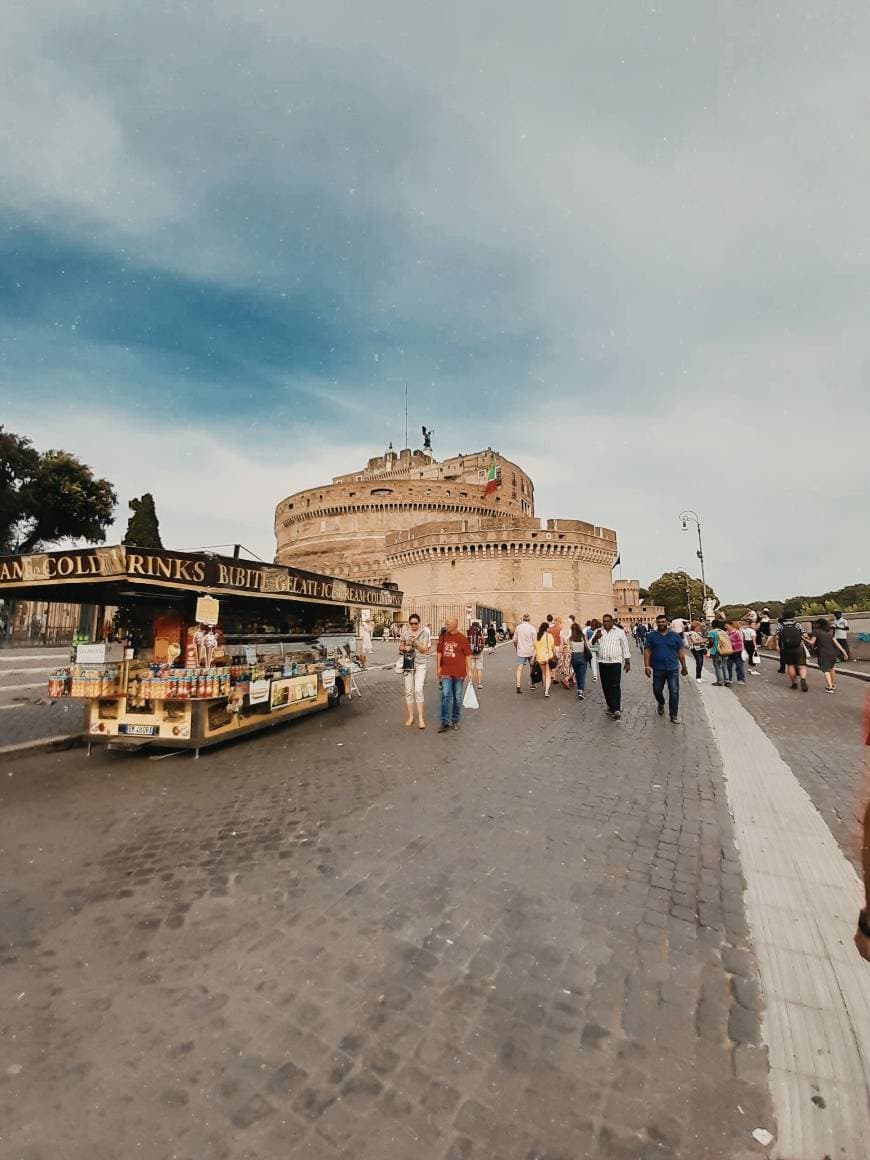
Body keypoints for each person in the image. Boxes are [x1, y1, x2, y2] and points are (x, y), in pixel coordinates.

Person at [644, 614, 688, 723]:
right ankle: (661, 702)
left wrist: (684, 666)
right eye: (659, 622)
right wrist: (646, 666)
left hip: (672, 668)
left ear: (667, 623)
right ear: (656, 623)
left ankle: (674, 715)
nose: (661, 624)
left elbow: (681, 652)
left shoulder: (675, 636)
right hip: (658, 668)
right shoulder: (651, 636)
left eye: (663, 622)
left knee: (674, 691)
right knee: (657, 690)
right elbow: (647, 651)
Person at [436, 617, 472, 732]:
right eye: (446, 623)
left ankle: (455, 720)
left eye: (448, 624)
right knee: (446, 695)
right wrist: (438, 667)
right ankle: (445, 721)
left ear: (455, 625)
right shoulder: (443, 636)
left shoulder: (462, 638)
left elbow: (468, 655)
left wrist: (470, 670)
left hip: (459, 672)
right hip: (446, 670)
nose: (446, 625)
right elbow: (439, 652)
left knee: (457, 696)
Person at [592, 614, 631, 719]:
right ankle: (610, 705)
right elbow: (591, 644)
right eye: (604, 621)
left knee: (615, 685)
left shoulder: (619, 632)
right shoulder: (598, 632)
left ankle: (617, 708)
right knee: (605, 686)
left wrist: (627, 662)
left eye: (608, 621)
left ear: (612, 621)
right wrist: (596, 638)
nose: (606, 623)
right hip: (602, 662)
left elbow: (625, 647)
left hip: (615, 663)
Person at [399, 614, 431, 729]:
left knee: (418, 689)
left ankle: (421, 718)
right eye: (411, 623)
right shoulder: (405, 633)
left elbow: (424, 650)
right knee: (408, 690)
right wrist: (405, 648)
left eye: (415, 623)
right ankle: (411, 716)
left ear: (419, 623)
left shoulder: (425, 633)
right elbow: (400, 647)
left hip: (420, 664)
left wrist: (416, 643)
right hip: (408, 663)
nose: (413, 625)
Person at [804, 618, 847, 692]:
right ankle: (833, 685)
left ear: (819, 624)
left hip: (823, 653)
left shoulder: (816, 632)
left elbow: (812, 642)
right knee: (832, 669)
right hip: (832, 652)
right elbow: (836, 643)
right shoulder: (830, 632)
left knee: (826, 670)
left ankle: (829, 687)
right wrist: (844, 652)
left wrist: (804, 639)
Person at [779, 608, 809, 691]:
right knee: (802, 666)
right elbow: (805, 635)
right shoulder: (797, 624)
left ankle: (794, 683)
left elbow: (777, 636)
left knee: (790, 665)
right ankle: (803, 679)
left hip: (787, 648)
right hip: (798, 647)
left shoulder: (781, 625)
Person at [512, 613, 537, 693]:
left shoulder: (518, 628)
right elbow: (535, 642)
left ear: (522, 619)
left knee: (519, 668)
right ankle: (532, 683)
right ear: (529, 619)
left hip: (521, 650)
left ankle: (518, 685)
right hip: (530, 651)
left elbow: (514, 640)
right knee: (532, 667)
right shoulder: (532, 628)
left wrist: (517, 648)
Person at [569, 621, 591, 699]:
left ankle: (579, 689)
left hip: (574, 656)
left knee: (578, 674)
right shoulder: (583, 636)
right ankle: (580, 690)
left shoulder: (571, 638)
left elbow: (570, 649)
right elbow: (587, 646)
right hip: (582, 656)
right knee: (582, 674)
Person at [707, 619, 732, 687]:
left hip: (716, 651)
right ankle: (727, 681)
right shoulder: (723, 632)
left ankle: (720, 681)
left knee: (717, 666)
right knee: (725, 666)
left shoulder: (712, 632)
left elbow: (711, 642)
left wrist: (708, 647)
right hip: (725, 651)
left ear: (712, 625)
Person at [534, 621, 557, 697]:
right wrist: (556, 655)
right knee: (548, 674)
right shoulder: (549, 636)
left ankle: (544, 687)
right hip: (548, 657)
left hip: (540, 657)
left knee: (543, 673)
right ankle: (546, 691)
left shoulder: (537, 636)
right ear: (546, 628)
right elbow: (553, 648)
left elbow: (535, 648)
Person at [726, 620, 747, 685]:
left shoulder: (737, 632)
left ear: (731, 625)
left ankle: (741, 679)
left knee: (739, 666)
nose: (726, 627)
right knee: (729, 665)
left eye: (727, 625)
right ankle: (729, 679)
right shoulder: (728, 633)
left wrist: (731, 643)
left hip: (738, 651)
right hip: (730, 651)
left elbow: (740, 642)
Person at [467, 619, 485, 689]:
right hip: (479, 652)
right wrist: (481, 648)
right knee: (479, 668)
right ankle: (479, 683)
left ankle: (470, 681)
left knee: (471, 668)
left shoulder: (469, 631)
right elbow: (483, 640)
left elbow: (467, 641)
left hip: (471, 652)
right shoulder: (480, 631)